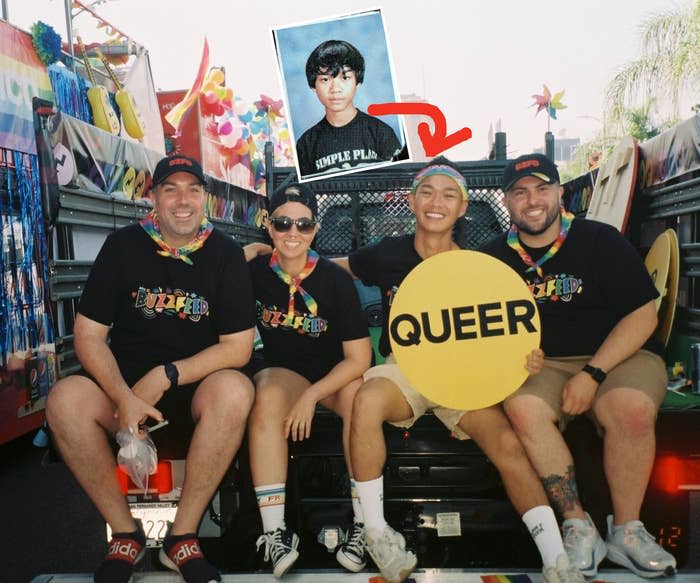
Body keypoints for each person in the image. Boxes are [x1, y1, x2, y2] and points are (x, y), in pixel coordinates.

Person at [334, 157, 585, 583]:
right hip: (408, 369)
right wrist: (276, 253)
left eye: (449, 194)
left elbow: (510, 327)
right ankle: (376, 533)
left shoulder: (480, 264)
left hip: (463, 376)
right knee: (366, 398)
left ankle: (556, 558)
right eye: (427, 192)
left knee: (507, 443)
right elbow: (330, 270)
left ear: (463, 207)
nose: (437, 202)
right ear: (411, 201)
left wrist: (528, 357)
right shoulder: (387, 252)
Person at [45, 155, 256, 583]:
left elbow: (238, 348)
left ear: (205, 199)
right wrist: (125, 398)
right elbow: (88, 336)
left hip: (194, 395)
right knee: (64, 400)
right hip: (123, 395)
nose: (182, 200)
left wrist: (167, 375)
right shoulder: (122, 246)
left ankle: (183, 537)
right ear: (153, 197)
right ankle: (125, 534)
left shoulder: (225, 254)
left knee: (236, 389)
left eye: (192, 189)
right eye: (170, 189)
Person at [481, 153, 677, 579]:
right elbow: (474, 329)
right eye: (519, 192)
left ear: (559, 193)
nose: (532, 200)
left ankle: (627, 531)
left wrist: (593, 374)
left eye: (541, 188)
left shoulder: (599, 240)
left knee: (630, 409)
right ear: (506, 202)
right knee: (522, 409)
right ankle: (577, 524)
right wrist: (509, 356)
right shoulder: (491, 258)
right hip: (541, 365)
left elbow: (644, 314)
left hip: (616, 356)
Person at [244, 182, 372, 578]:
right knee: (265, 394)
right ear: (268, 225)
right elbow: (210, 278)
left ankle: (366, 526)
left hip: (332, 375)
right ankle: (275, 534)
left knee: (358, 398)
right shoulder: (251, 273)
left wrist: (311, 397)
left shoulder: (334, 279)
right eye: (283, 224)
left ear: (315, 230)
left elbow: (358, 358)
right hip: (285, 373)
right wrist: (245, 252)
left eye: (303, 224)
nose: (293, 233)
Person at [295, 39, 403, 178]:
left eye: (345, 77)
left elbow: (398, 186)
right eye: (325, 80)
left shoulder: (381, 133)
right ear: (313, 86)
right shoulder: (306, 144)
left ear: (357, 82)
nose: (335, 89)